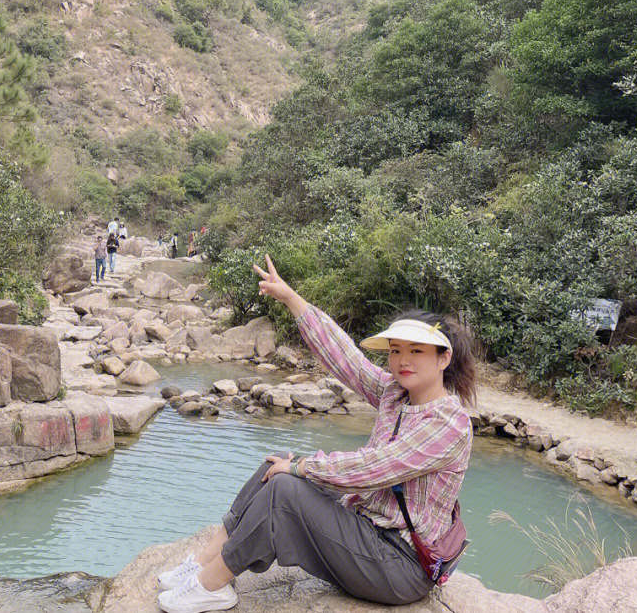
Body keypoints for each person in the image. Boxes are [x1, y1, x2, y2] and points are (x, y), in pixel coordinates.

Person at [156, 254, 476, 613]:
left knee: (285, 486)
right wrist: (293, 299)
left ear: (443, 358)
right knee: (273, 467)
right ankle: (200, 565)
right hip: (366, 534)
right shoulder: (395, 393)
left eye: (416, 351)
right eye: (396, 350)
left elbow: (374, 468)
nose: (403, 360)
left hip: (400, 564)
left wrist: (303, 468)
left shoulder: (450, 424)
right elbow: (346, 359)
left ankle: (210, 585)